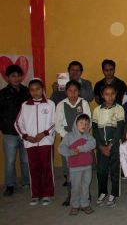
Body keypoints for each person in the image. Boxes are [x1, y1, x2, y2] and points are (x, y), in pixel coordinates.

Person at [15, 78, 56, 206]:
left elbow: (55, 122)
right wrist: (26, 136)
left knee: (47, 167)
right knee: (33, 168)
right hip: (30, 143)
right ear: (29, 91)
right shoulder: (25, 105)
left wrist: (44, 134)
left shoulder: (50, 104)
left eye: (37, 89)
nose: (35, 92)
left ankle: (47, 194)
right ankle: (36, 194)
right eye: (32, 90)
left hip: (45, 142)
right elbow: (18, 123)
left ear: (42, 89)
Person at [55, 80, 92, 205]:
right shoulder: (61, 105)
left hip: (82, 140)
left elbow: (88, 122)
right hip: (67, 140)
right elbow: (58, 125)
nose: (73, 93)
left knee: (84, 167)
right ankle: (71, 195)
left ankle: (85, 194)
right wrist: (69, 137)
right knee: (70, 169)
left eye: (75, 90)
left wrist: (80, 135)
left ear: (79, 91)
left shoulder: (84, 103)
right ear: (66, 92)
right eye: (70, 91)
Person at [0, 65, 30, 196]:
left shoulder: (27, 91)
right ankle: (10, 185)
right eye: (13, 76)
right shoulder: (2, 94)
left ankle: (26, 181)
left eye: (18, 75)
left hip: (25, 133)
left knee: (25, 159)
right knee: (10, 161)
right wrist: (4, 126)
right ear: (7, 78)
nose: (16, 78)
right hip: (9, 133)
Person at [92, 84, 125, 207]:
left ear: (116, 94)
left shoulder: (119, 109)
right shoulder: (97, 110)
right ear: (102, 95)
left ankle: (114, 193)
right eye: (106, 94)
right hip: (101, 146)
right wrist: (101, 146)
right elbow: (95, 130)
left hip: (114, 145)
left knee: (115, 170)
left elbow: (119, 130)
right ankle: (102, 192)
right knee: (101, 170)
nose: (110, 97)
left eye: (112, 94)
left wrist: (110, 146)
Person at [58, 114, 96, 215]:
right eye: (81, 123)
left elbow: (93, 144)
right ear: (76, 124)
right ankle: (75, 205)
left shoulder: (88, 136)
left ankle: (85, 204)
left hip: (87, 167)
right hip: (74, 168)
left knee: (85, 186)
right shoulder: (69, 136)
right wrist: (70, 152)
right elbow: (61, 148)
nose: (84, 125)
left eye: (86, 124)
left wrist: (79, 149)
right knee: (75, 187)